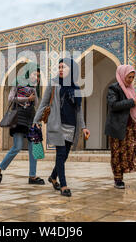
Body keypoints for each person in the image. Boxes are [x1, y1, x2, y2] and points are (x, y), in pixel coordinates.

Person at [33, 58, 90, 197]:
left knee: (64, 155)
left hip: (71, 127)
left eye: (63, 67)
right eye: (59, 67)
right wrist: (36, 121)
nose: (60, 69)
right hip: (57, 125)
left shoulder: (76, 88)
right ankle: (63, 185)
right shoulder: (53, 84)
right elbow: (44, 103)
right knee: (60, 154)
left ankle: (53, 176)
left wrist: (83, 127)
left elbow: (78, 109)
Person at [0, 63, 45, 185]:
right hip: (18, 119)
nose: (35, 78)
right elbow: (10, 98)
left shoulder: (33, 88)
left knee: (33, 148)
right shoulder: (18, 84)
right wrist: (26, 99)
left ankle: (32, 176)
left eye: (38, 76)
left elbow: (36, 103)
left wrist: (36, 120)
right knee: (17, 146)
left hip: (30, 119)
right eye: (34, 74)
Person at [104, 65, 136, 189]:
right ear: (122, 75)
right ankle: (118, 180)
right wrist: (132, 103)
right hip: (118, 127)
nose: (131, 80)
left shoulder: (131, 89)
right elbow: (113, 105)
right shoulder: (114, 88)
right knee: (118, 154)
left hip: (132, 127)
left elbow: (133, 105)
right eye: (128, 77)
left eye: (132, 77)